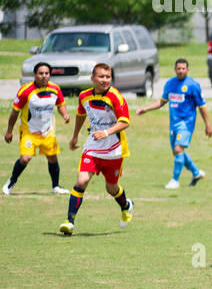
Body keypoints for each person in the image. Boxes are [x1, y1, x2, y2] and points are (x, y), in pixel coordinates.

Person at [59, 64, 133, 234]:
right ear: (92, 78)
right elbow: (81, 114)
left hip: (114, 149)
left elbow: (125, 121)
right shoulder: (84, 96)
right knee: (82, 181)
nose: (105, 80)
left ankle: (126, 205)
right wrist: (75, 135)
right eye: (101, 77)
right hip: (92, 147)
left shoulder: (115, 96)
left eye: (108, 77)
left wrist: (106, 132)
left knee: (111, 188)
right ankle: (69, 222)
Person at [137, 58, 212, 188]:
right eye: (178, 68)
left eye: (183, 68)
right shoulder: (170, 84)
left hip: (187, 123)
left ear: (187, 70)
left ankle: (175, 180)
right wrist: (145, 109)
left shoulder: (193, 85)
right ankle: (196, 172)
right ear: (175, 69)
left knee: (178, 149)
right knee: (178, 151)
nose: (180, 71)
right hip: (174, 124)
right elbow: (162, 101)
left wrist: (208, 125)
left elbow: (202, 107)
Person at [5, 62, 70, 195]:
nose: (44, 76)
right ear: (35, 75)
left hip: (47, 131)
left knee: (52, 158)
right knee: (25, 158)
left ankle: (55, 187)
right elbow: (14, 113)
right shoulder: (25, 91)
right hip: (29, 131)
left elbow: (60, 104)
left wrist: (65, 114)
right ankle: (11, 181)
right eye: (41, 73)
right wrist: (9, 131)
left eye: (46, 73)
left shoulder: (55, 89)